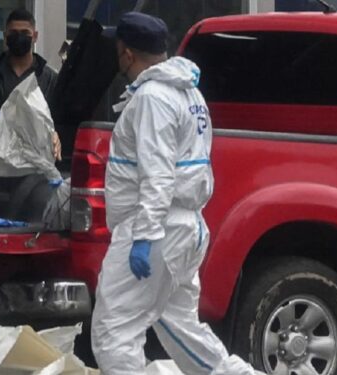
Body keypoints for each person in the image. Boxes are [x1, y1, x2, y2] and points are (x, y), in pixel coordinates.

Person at [90, 12, 262, 375]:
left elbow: (157, 173)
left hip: (155, 228)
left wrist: (145, 235)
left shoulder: (152, 97)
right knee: (182, 330)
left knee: (114, 332)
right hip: (184, 230)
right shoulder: (189, 92)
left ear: (127, 54)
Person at [0, 8, 57, 111]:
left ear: (35, 36)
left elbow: (59, 118)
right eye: (13, 32)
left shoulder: (50, 80)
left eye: (25, 33)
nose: (19, 37)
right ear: (5, 36)